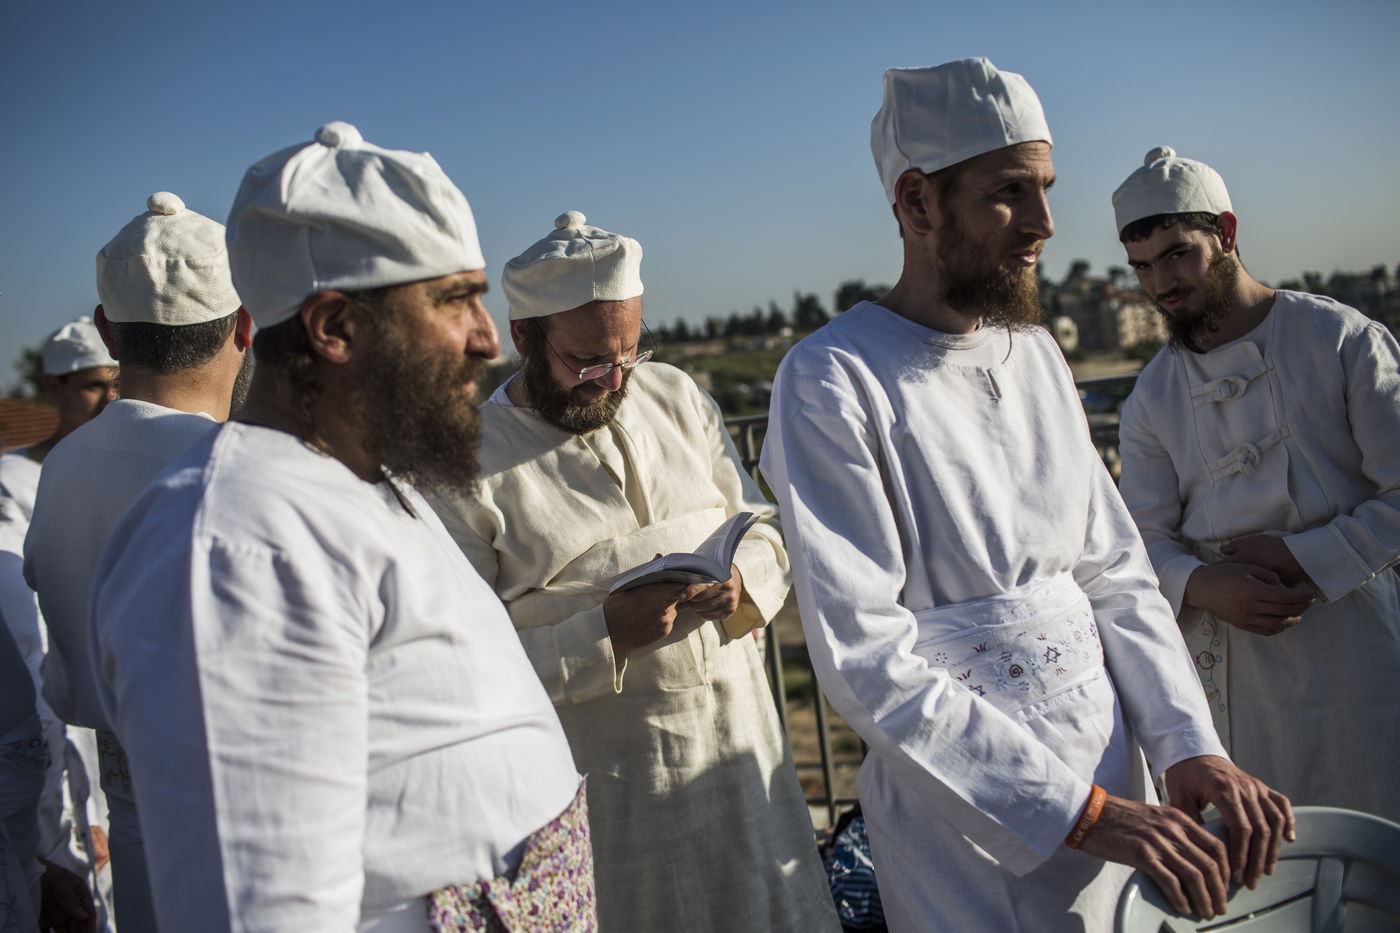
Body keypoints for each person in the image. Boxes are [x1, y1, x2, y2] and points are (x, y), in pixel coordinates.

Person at [759, 59, 1293, 932]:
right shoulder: (831, 377)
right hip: (969, 830)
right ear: (918, 203)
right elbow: (865, 659)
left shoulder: (1036, 353)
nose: (1045, 222)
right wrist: (1081, 815)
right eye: (1011, 192)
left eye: (1046, 187)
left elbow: (1117, 575)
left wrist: (1188, 746)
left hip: (1130, 794)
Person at [89, 122, 591, 933]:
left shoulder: (354, 482)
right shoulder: (239, 546)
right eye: (455, 299)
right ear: (333, 328)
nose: (487, 337)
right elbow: (260, 912)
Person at [429, 212, 838, 932]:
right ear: (524, 337)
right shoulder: (464, 464)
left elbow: (765, 531)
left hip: (743, 764)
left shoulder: (675, 394)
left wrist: (743, 583)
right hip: (616, 805)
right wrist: (605, 631)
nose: (613, 380)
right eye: (587, 362)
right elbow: (462, 668)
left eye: (628, 355)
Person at [1112, 147, 1400, 823]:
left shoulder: (1339, 339)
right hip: (1229, 669)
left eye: (1177, 254)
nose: (1161, 283)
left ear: (1227, 234)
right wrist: (1202, 584)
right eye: (1143, 266)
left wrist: (1306, 554)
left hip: (1356, 643)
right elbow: (1137, 541)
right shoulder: (1152, 394)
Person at [25, 190, 255, 932]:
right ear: (244, 326)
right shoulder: (244, 471)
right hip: (249, 835)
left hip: (133, 821)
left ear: (105, 331)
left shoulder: (60, 470)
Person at [0, 317, 116, 930]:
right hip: (54, 755)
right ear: (54, 384)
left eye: (118, 383)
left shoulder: (123, 472)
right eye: (95, 385)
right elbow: (30, 649)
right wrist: (64, 820)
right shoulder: (11, 484)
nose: (110, 399)